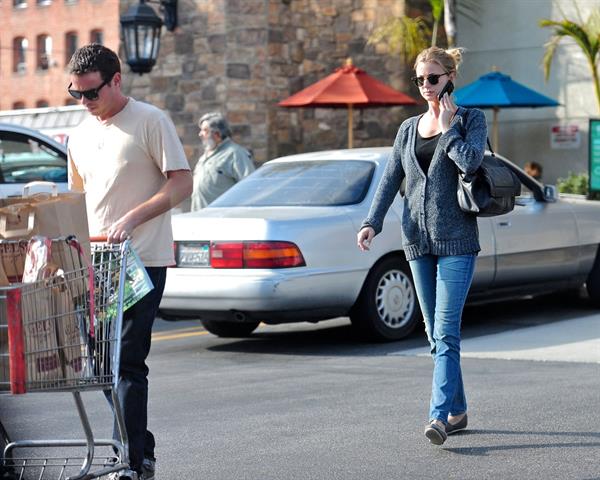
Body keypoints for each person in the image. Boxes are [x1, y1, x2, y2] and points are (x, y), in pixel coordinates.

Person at [67, 44, 192, 479]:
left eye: (91, 93)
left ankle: (132, 461)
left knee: (127, 362)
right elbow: (78, 200)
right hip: (95, 262)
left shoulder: (151, 120)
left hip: (141, 261)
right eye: (76, 94)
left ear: (116, 80)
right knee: (101, 366)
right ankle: (141, 442)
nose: (84, 102)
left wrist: (135, 216)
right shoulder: (78, 133)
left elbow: (181, 184)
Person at [356, 47, 487, 446]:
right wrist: (371, 223)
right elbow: (391, 178)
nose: (426, 86)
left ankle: (438, 417)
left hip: (457, 242)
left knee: (446, 333)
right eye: (420, 80)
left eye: (433, 78)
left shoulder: (470, 120)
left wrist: (448, 129)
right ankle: (459, 409)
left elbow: (471, 163)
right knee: (434, 333)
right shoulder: (408, 129)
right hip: (416, 239)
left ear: (450, 77)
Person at [191, 112, 255, 211]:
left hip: (222, 220)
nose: (200, 134)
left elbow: (250, 187)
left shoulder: (235, 154)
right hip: (199, 217)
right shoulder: (205, 156)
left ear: (217, 134)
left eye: (205, 130)